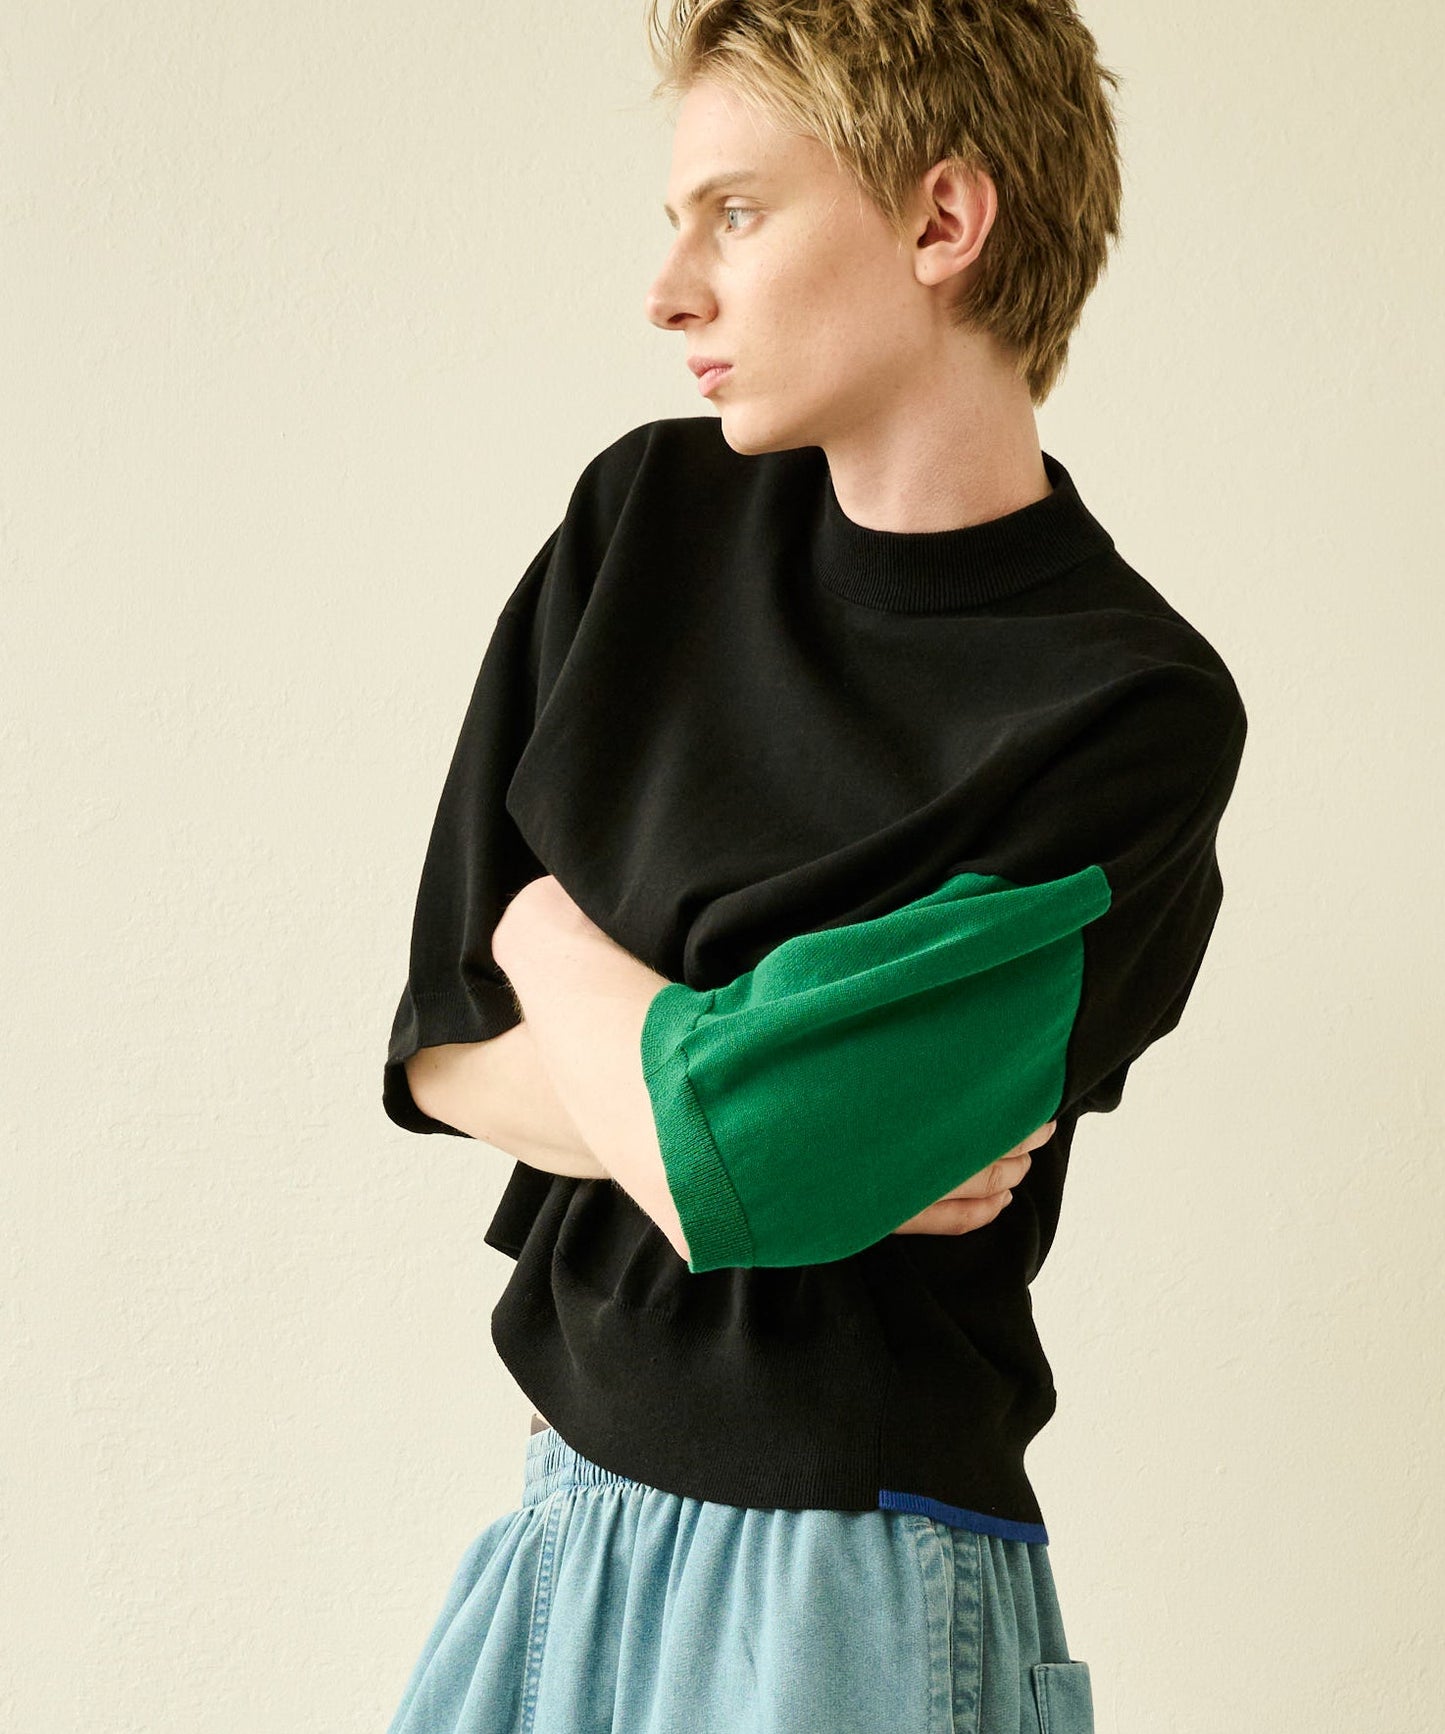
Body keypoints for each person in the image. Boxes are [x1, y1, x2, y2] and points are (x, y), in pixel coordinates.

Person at [379, 4, 1247, 1731]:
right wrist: (738, 1116)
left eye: (736, 212)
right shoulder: (640, 530)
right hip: (559, 1523)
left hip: (848, 1580)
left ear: (942, 221)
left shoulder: (1123, 711)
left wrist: (545, 932)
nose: (668, 292)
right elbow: (441, 1052)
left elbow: (746, 1155)